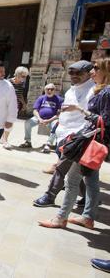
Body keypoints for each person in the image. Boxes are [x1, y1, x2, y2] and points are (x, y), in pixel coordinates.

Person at [38, 58, 109, 229]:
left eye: (96, 68)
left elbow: (104, 121)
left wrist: (79, 109)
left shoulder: (104, 92)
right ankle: (87, 216)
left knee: (71, 179)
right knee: (89, 180)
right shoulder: (97, 90)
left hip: (87, 141)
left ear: (106, 72)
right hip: (83, 139)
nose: (93, 71)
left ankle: (60, 216)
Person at [33, 60, 95, 207]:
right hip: (63, 134)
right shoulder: (71, 89)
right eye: (71, 72)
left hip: (77, 136)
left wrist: (77, 134)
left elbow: (91, 115)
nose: (74, 75)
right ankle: (89, 198)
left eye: (79, 73)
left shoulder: (93, 91)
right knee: (75, 170)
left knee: (61, 168)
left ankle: (50, 196)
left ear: (88, 73)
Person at [18, 83, 63, 152]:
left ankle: (49, 144)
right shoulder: (41, 98)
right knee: (27, 123)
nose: (49, 91)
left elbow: (59, 114)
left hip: (52, 119)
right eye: (48, 89)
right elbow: (35, 110)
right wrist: (39, 119)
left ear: (55, 90)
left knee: (56, 125)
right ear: (45, 90)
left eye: (52, 89)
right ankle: (28, 141)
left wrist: (49, 120)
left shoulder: (59, 99)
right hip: (39, 118)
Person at [0, 66, 29, 149]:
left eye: (25, 76)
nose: (24, 78)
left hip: (14, 107)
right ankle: (3, 139)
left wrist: (24, 104)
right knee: (3, 122)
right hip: (5, 106)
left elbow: (19, 95)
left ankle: (5, 140)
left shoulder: (21, 84)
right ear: (17, 74)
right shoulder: (7, 82)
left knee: (10, 123)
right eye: (23, 76)